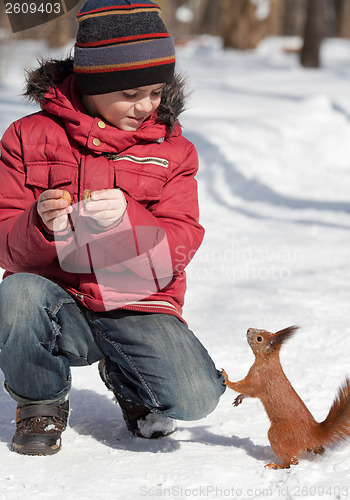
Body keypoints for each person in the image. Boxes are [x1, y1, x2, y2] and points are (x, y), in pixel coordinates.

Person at [0, 0, 225, 456]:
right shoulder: (26, 137)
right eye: (130, 94)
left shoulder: (173, 151)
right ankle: (39, 399)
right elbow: (6, 247)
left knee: (196, 398)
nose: (146, 107)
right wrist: (38, 225)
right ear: (90, 83)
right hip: (56, 300)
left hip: (137, 299)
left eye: (157, 92)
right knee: (16, 294)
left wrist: (130, 220)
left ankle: (130, 379)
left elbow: (180, 243)